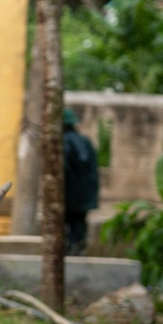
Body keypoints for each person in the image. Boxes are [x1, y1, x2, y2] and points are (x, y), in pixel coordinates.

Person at [63, 108, 100, 255]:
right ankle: (79, 247)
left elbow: (64, 168)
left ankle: (73, 248)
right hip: (86, 193)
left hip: (71, 193)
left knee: (70, 221)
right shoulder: (85, 141)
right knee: (79, 222)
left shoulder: (65, 141)